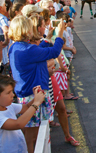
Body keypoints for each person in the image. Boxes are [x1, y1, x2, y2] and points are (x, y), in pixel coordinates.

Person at [8, 15, 65, 152]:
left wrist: (47, 38)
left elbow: (40, 51)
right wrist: (60, 34)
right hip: (33, 95)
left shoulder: (16, 47)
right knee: (34, 135)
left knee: (34, 133)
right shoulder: (28, 50)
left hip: (27, 93)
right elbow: (54, 51)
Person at [0, 74, 46, 153]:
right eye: (8, 93)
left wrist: (37, 97)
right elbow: (18, 124)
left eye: (12, 91)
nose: (12, 95)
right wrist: (36, 103)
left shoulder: (9, 106)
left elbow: (26, 107)